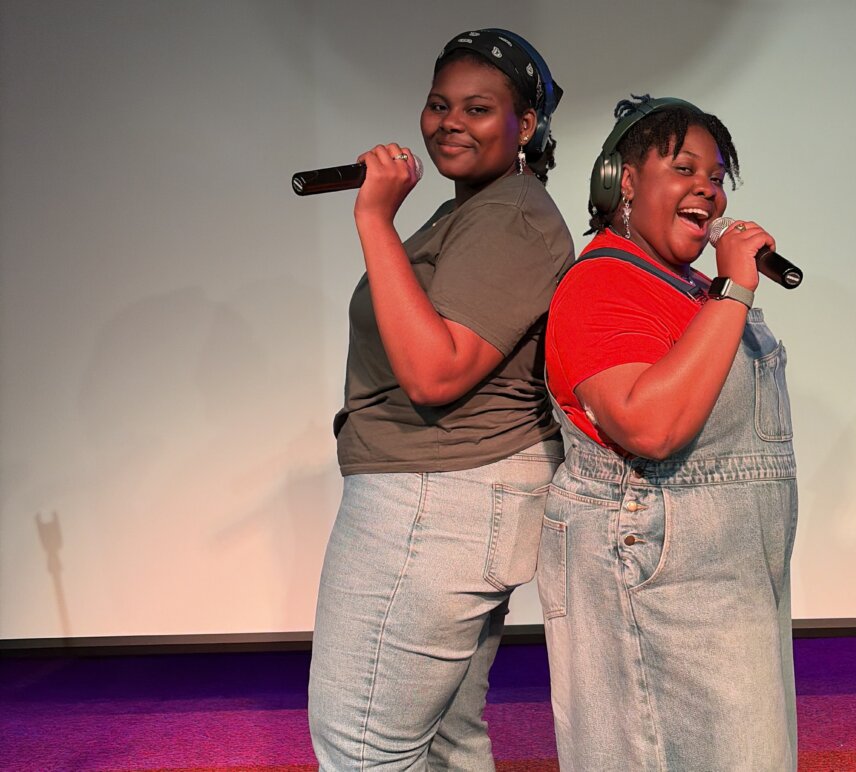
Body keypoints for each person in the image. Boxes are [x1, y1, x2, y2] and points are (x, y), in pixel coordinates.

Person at [307, 29, 573, 771]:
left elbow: (435, 374)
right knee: (445, 742)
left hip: (434, 498)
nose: (450, 122)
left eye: (477, 109)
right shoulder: (478, 210)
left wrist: (372, 218)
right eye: (438, 104)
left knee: (362, 748)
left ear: (526, 125)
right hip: (449, 494)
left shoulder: (511, 215)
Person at [538, 95, 799, 770]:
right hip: (656, 582)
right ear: (623, 182)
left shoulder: (691, 288)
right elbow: (648, 426)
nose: (707, 189)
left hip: (727, 586)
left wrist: (722, 293)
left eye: (716, 176)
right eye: (684, 169)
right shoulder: (602, 283)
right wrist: (733, 291)